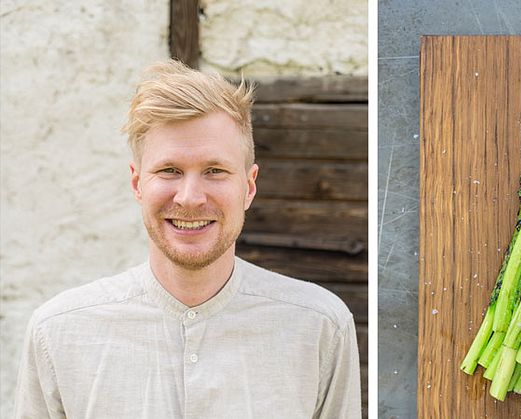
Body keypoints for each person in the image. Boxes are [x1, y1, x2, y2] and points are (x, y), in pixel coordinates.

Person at [14, 60, 361, 419]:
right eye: (169, 170)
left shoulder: (320, 326)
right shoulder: (58, 331)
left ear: (249, 186)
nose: (190, 197)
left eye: (214, 171)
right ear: (137, 184)